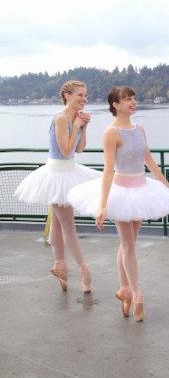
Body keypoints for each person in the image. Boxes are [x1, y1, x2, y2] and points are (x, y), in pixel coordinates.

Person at [68, 86, 169, 322]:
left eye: (133, 98)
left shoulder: (139, 129)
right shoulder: (111, 133)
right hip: (121, 191)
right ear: (115, 105)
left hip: (141, 190)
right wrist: (102, 204)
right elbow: (108, 170)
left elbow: (148, 159)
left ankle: (124, 289)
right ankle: (137, 293)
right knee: (128, 244)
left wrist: (166, 184)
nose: (132, 102)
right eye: (127, 99)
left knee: (128, 243)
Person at [15, 80, 100, 293]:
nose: (84, 99)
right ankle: (84, 270)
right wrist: (78, 126)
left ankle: (59, 265)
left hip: (70, 169)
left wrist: (84, 127)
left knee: (58, 224)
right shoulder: (61, 118)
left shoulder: (75, 118)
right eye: (80, 95)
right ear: (67, 95)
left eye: (85, 95)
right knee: (68, 226)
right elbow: (64, 150)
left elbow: (79, 149)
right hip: (57, 173)